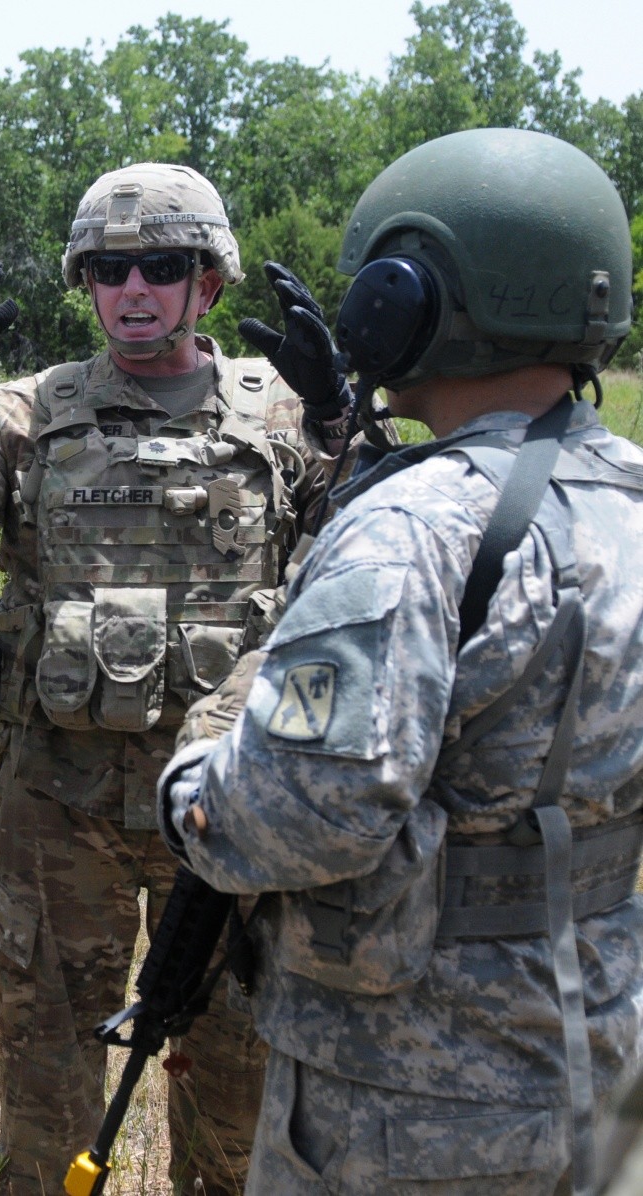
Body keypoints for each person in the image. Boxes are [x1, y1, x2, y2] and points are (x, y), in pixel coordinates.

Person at [159, 127, 639, 1194]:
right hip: (604, 1059)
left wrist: (192, 781)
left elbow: (300, 812)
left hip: (405, 1100)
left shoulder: (412, 525)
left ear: (409, 295)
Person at [0, 163, 354, 1195]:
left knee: (234, 1080)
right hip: (58, 808)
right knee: (46, 1064)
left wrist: (349, 420)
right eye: (112, 268)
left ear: (207, 284)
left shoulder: (280, 416)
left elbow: (373, 553)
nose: (135, 288)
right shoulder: (30, 410)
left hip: (226, 809)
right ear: (87, 281)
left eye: (163, 266)